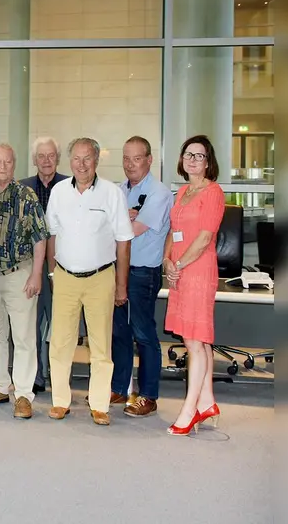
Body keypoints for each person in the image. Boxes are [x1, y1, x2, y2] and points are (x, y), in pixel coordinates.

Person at [45, 137, 132, 425]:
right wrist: (52, 273)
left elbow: (123, 240)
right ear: (69, 161)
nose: (81, 165)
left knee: (100, 344)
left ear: (96, 161)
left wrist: (121, 285)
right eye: (76, 159)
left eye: (87, 159)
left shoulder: (111, 193)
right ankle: (60, 401)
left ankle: (99, 404)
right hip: (66, 276)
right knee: (60, 342)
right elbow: (52, 235)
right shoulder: (59, 192)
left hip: (100, 278)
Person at [0, 143, 47, 419]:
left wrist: (36, 274)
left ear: (14, 164)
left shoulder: (27, 195)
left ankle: (24, 395)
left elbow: (40, 237)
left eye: (7, 162)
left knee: (24, 337)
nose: (2, 167)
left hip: (20, 274)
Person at [164, 135, 225, 435]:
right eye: (188, 154)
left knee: (194, 341)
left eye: (199, 156)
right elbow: (173, 231)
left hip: (197, 270)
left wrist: (179, 264)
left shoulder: (213, 192)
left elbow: (203, 238)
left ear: (208, 161)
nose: (192, 159)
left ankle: (189, 410)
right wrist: (167, 261)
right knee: (200, 340)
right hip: (179, 270)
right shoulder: (183, 192)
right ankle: (207, 402)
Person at [112, 136, 173, 416]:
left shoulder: (159, 193)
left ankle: (148, 395)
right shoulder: (119, 189)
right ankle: (119, 388)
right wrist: (125, 216)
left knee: (143, 333)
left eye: (137, 158)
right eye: (126, 158)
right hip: (117, 270)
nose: (130, 164)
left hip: (143, 273)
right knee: (119, 332)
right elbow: (109, 225)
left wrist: (119, 220)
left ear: (149, 159)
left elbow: (131, 232)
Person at [23, 135, 69, 393]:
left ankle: (60, 379)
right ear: (34, 160)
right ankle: (36, 378)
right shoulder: (23, 187)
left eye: (51, 155)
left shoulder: (71, 185)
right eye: (41, 156)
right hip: (31, 265)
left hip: (63, 266)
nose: (46, 160)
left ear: (58, 158)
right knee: (32, 324)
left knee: (60, 326)